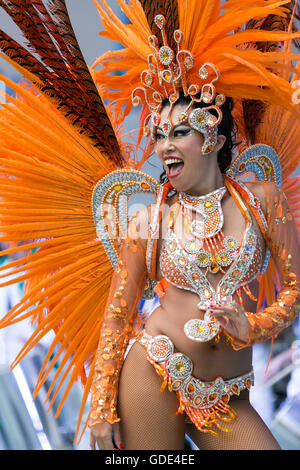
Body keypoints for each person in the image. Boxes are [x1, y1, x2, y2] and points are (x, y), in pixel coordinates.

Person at [0, 0, 299, 451]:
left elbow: (296, 288)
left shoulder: (263, 201)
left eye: (179, 132)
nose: (164, 146)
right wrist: (101, 409)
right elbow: (118, 315)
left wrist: (254, 325)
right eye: (158, 134)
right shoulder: (149, 221)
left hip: (228, 395)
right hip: (154, 373)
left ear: (213, 138)